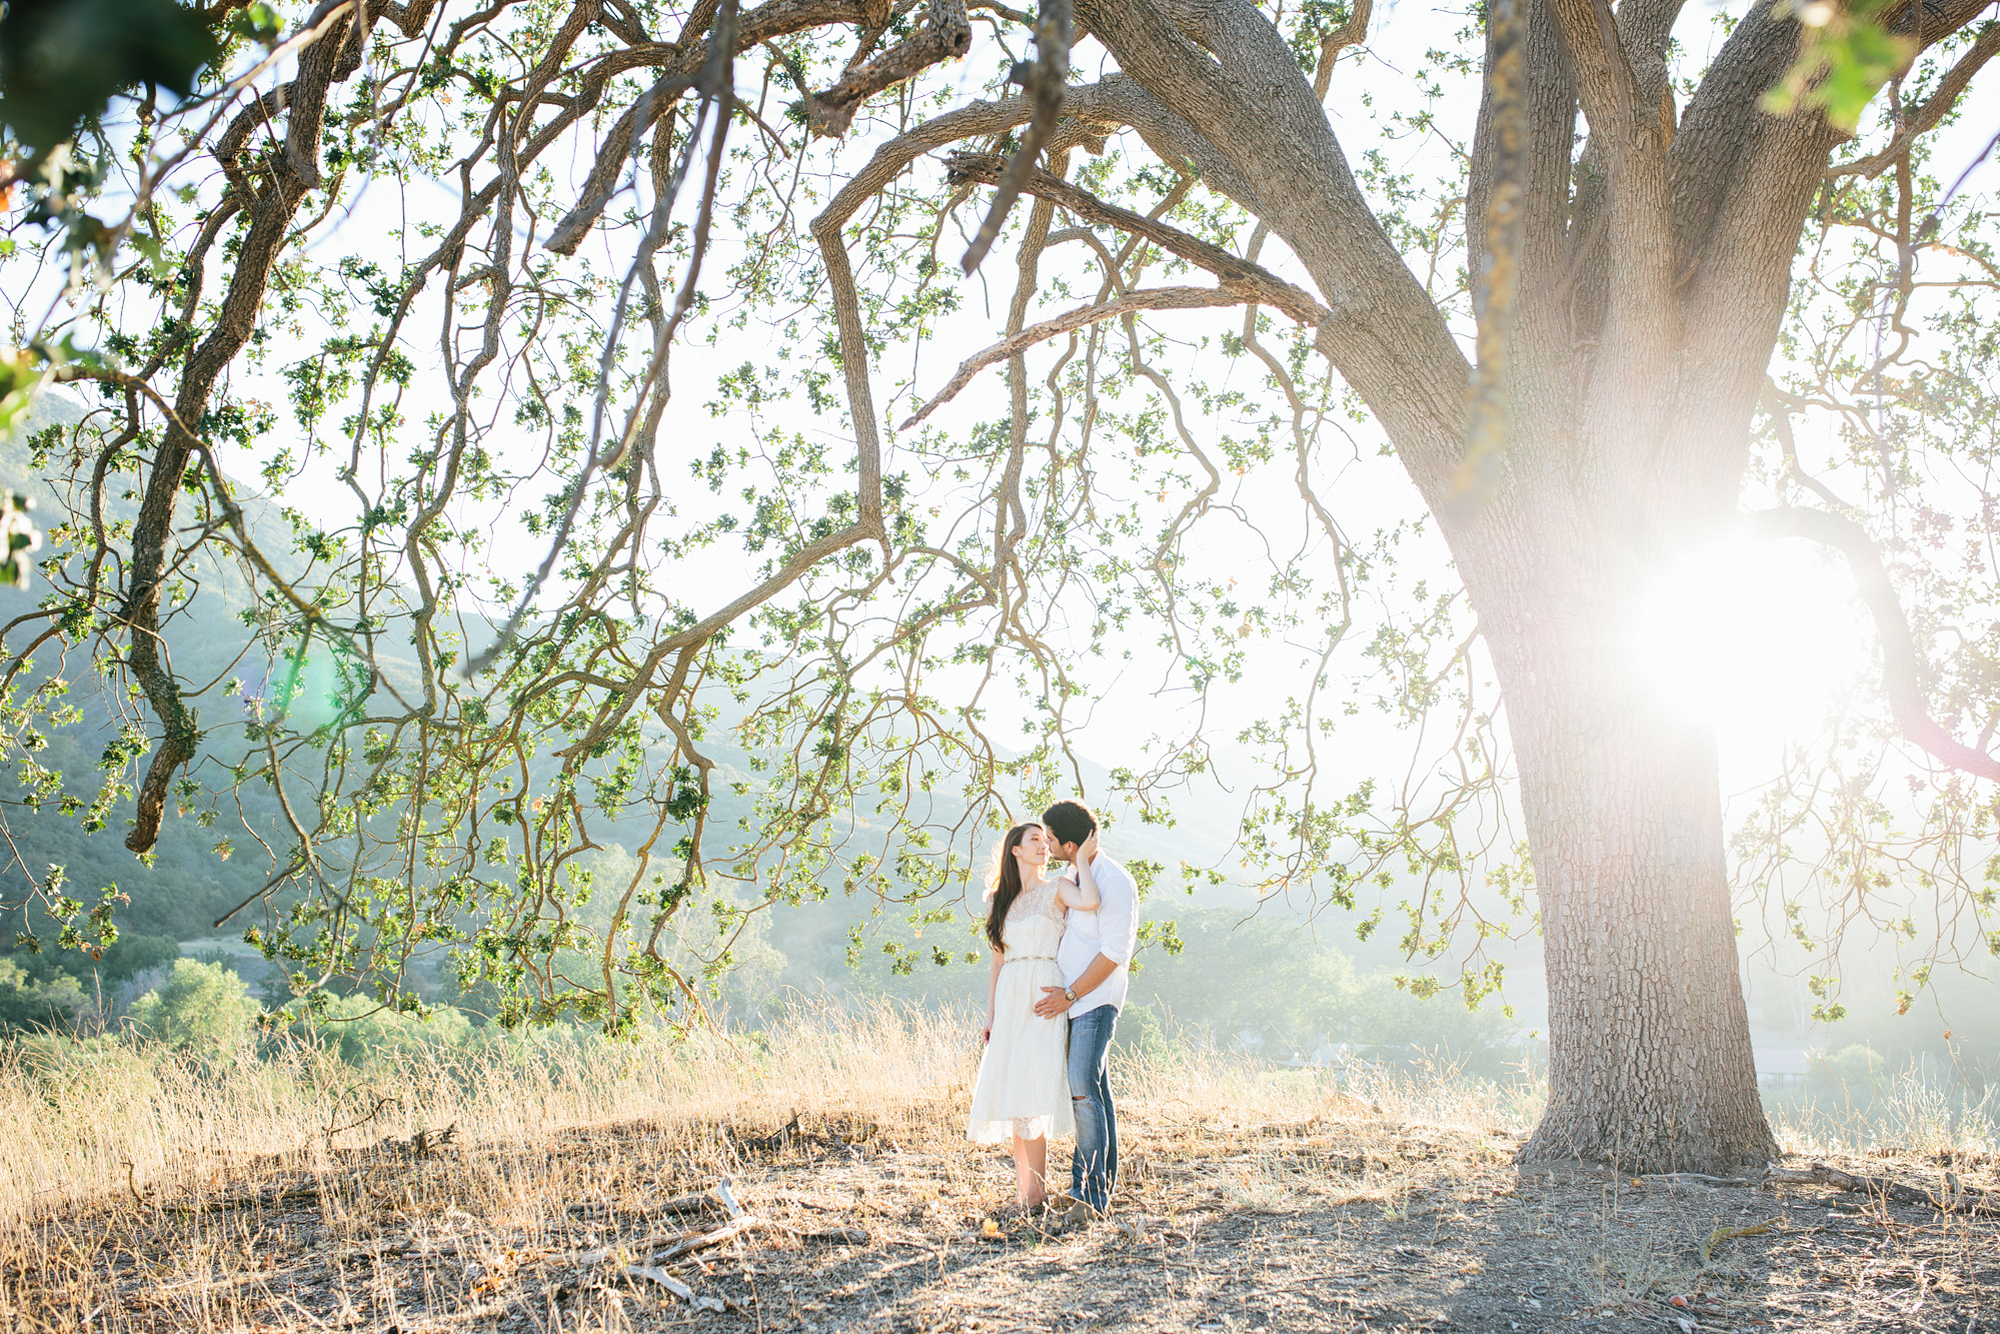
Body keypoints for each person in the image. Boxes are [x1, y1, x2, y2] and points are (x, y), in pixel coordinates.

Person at [966, 820, 1102, 1213]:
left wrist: (1083, 861)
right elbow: (996, 961)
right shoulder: (999, 899)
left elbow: (1091, 901)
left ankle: (1036, 1194)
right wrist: (991, 1014)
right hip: (1010, 994)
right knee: (1014, 1095)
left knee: (1032, 1092)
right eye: (1035, 841)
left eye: (1047, 841)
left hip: (1043, 992)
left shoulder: (1058, 887)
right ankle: (1023, 1191)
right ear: (1015, 850)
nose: (1044, 847)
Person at [1034, 799, 1137, 1220]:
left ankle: (1088, 1196)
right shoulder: (1075, 874)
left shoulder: (1114, 880)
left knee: (1082, 1091)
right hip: (1075, 1003)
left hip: (1092, 1002)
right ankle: (1097, 1190)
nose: (1048, 845)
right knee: (1095, 1094)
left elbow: (1115, 952)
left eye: (1053, 840)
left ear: (1071, 843)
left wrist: (1071, 994)